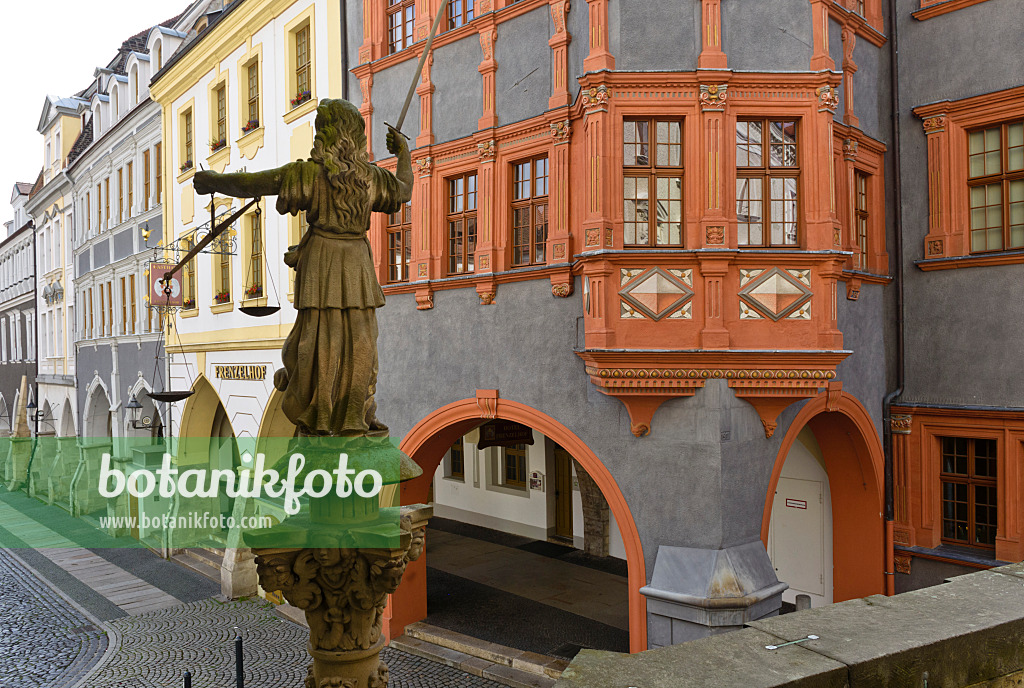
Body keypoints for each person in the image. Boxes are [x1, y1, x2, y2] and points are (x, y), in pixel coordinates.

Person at [194, 99, 413, 437]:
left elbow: (254, 184)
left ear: (324, 133)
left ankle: (322, 413)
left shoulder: (308, 174)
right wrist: (403, 154)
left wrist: (212, 181)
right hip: (355, 260)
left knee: (321, 337)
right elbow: (404, 190)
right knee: (361, 337)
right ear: (355, 136)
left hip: (324, 259)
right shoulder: (371, 178)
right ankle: (355, 412)